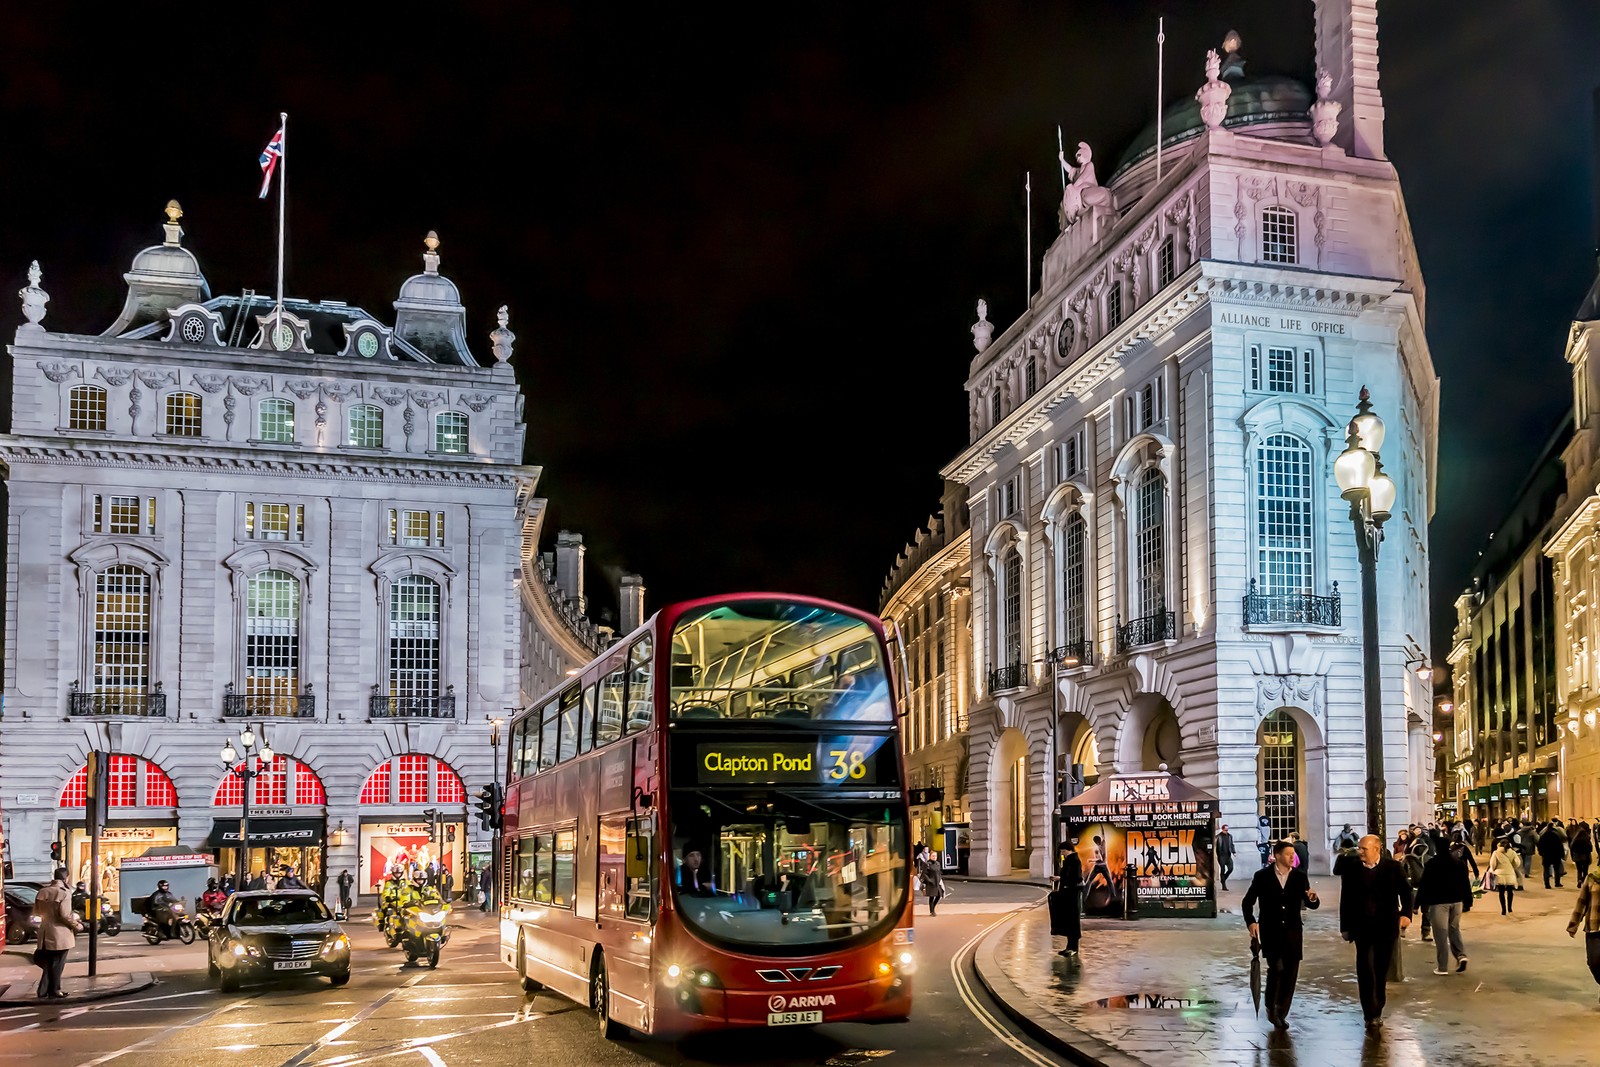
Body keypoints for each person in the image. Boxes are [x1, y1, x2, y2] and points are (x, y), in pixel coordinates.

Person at [1338, 834, 1413, 1030]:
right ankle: (1369, 1011)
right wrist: (1344, 927)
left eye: (1364, 849)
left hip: (1386, 928)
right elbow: (1345, 900)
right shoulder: (1352, 869)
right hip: (1361, 929)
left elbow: (1406, 892)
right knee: (1365, 969)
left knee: (1380, 970)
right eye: (1359, 848)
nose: (1359, 851)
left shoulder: (1393, 868)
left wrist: (1406, 915)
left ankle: (1378, 1007)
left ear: (1376, 849)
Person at [1243, 840, 1320, 1029]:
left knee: (1291, 972)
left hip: (1293, 931)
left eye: (1293, 854)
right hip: (1271, 931)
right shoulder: (1262, 876)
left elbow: (1311, 903)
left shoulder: (1300, 877)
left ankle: (1282, 1010)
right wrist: (1251, 922)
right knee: (1276, 968)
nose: (1292, 857)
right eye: (1288, 854)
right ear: (1277, 856)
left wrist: (1313, 899)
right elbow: (1247, 902)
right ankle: (1271, 1006)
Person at [1416, 841, 1472, 975]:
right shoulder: (1459, 863)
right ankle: (1461, 955)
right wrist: (1468, 901)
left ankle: (1442, 967)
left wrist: (1417, 903)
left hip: (1439, 902)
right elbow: (1465, 883)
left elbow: (1424, 885)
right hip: (1457, 902)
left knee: (1440, 934)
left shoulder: (1432, 864)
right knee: (1454, 929)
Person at [33, 867, 82, 999]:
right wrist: (77, 926)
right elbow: (65, 915)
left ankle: (43, 990)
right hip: (60, 934)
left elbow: (36, 913)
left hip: (44, 933)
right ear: (66, 878)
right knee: (58, 964)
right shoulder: (65, 893)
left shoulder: (42, 892)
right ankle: (55, 990)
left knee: (49, 962)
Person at [1567, 861, 1600, 1004]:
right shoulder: (1592, 878)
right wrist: (1574, 924)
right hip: (1594, 926)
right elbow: (1582, 901)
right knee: (1594, 962)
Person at [1052, 842, 1084, 956]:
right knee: (1069, 921)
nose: (1062, 854)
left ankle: (1073, 947)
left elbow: (1076, 877)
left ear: (1069, 850)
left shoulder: (1074, 861)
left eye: (1063, 851)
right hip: (1068, 894)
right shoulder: (1069, 861)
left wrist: (1063, 880)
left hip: (1072, 895)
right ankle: (1069, 947)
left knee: (1073, 921)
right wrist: (1059, 878)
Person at [1489, 837, 1523, 914]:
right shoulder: (1513, 852)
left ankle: (1503, 910)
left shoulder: (1496, 853)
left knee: (1501, 893)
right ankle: (1510, 908)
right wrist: (1512, 867)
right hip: (1510, 874)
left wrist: (1494, 870)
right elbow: (1517, 863)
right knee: (1510, 892)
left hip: (1499, 875)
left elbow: (1492, 864)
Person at [915, 844, 945, 916]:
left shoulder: (938, 863)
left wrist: (940, 880)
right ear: (930, 856)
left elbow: (939, 872)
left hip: (937, 882)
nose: (934, 857)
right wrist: (929, 880)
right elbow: (924, 874)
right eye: (933, 856)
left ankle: (933, 908)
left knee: (939, 895)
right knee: (932, 897)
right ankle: (932, 911)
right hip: (931, 883)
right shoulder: (927, 864)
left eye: (935, 856)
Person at [1539, 820, 1568, 889]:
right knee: (1556, 870)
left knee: (1546, 870)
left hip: (1546, 855)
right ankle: (1557, 883)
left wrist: (1541, 853)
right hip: (1556, 855)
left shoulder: (1544, 835)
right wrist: (1562, 855)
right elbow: (1560, 846)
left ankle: (1547, 884)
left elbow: (1540, 845)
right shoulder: (1556, 835)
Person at [1215, 824, 1236, 891]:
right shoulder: (1218, 837)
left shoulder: (1230, 836)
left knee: (1231, 868)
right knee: (1223, 869)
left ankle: (1223, 879)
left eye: (1227, 830)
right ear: (1222, 829)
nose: (1227, 831)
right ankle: (1224, 885)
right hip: (1221, 856)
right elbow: (1215, 846)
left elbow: (1232, 845)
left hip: (1228, 855)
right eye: (1225, 830)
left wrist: (1233, 852)